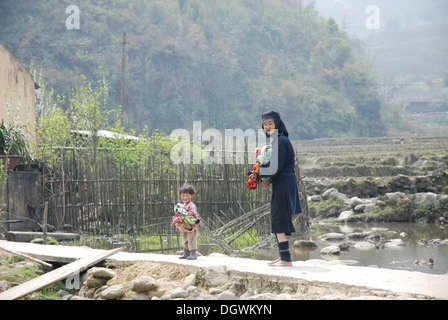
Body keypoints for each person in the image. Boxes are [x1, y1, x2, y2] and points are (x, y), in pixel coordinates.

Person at [257, 110, 302, 267]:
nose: (267, 127)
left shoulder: (281, 141)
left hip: (284, 183)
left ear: (277, 124)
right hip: (281, 182)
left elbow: (274, 167)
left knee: (278, 219)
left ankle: (286, 259)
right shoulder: (276, 141)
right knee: (279, 218)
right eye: (265, 124)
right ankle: (283, 256)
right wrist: (267, 178)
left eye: (270, 123)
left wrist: (259, 174)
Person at [172, 184, 200, 260]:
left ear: (192, 195)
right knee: (185, 239)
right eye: (183, 195)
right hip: (184, 226)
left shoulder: (191, 205)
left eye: (187, 195)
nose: (184, 197)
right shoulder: (182, 205)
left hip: (191, 225)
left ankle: (193, 254)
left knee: (191, 239)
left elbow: (192, 212)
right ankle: (186, 253)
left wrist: (185, 213)